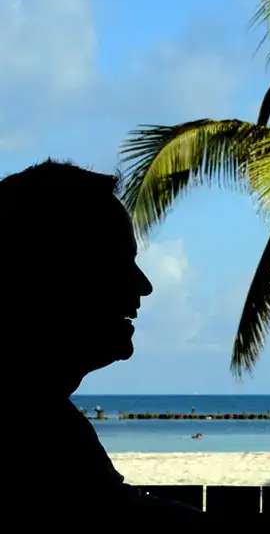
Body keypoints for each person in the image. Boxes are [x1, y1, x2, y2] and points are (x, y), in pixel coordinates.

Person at [2, 160, 205, 522]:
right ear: (54, 272)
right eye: (118, 262)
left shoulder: (45, 417)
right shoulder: (32, 426)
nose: (144, 285)